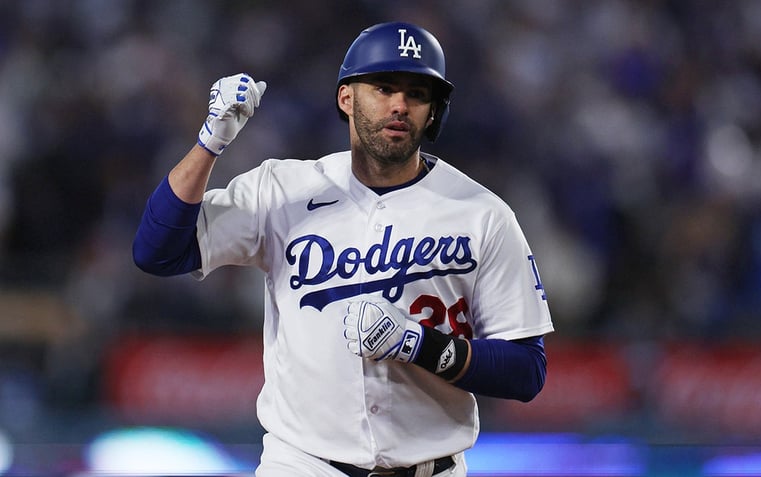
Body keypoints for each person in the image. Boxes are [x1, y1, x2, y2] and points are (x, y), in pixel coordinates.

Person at [133, 21, 554, 477]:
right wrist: (209, 143)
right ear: (346, 98)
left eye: (417, 93)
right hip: (302, 465)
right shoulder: (283, 189)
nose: (400, 104)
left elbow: (526, 370)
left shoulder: (481, 214)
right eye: (384, 87)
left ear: (434, 111)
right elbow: (157, 251)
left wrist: (419, 345)